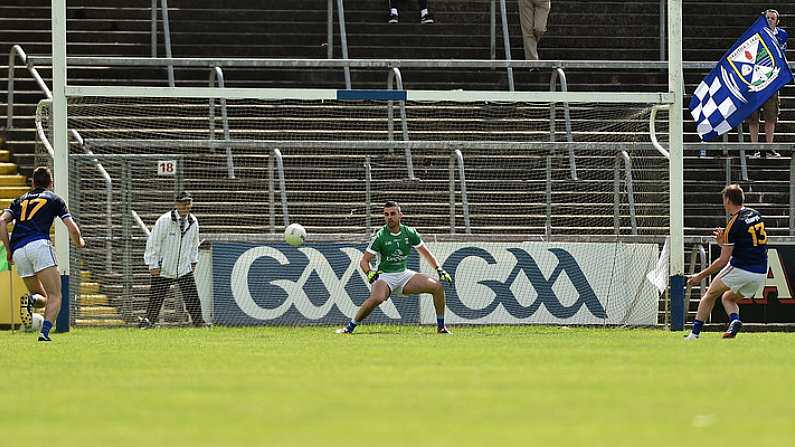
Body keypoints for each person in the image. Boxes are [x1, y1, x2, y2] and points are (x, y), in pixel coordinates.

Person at [337, 201, 452, 334]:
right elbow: (364, 260)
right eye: (386, 214)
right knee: (377, 298)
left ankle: (441, 327)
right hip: (384, 277)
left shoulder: (409, 233)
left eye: (392, 214)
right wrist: (369, 273)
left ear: (400, 215)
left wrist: (439, 269)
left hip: (404, 275)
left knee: (437, 287)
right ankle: (349, 328)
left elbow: (426, 254)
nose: (389, 217)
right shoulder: (380, 236)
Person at [0, 166, 86, 341]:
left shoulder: (19, 200)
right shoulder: (55, 199)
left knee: (43, 298)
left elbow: (2, 221)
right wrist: (79, 243)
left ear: (33, 183)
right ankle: (44, 333)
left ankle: (31, 300)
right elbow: (73, 229)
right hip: (39, 245)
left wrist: (8, 250)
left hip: (19, 251)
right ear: (51, 183)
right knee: (55, 295)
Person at [685, 184, 768, 340]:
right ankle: (735, 321)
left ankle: (694, 334)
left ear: (728, 200)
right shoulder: (755, 214)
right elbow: (748, 243)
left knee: (710, 294)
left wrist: (699, 276)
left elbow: (723, 260)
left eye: (724, 199)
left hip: (741, 268)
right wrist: (724, 243)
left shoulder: (733, 225)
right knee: (728, 297)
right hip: (760, 272)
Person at [140, 191, 206, 328]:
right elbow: (153, 243)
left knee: (192, 298)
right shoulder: (164, 220)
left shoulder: (193, 222)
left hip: (183, 268)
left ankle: (199, 324)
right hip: (163, 268)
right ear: (176, 205)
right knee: (156, 299)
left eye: (188, 203)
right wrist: (153, 264)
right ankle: (147, 323)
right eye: (183, 203)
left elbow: (194, 244)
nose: (186, 206)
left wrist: (194, 261)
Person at [747, 9, 788, 157]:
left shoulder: (782, 35)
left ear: (777, 21)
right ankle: (754, 147)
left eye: (772, 18)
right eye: (767, 18)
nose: (770, 20)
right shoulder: (755, 33)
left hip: (772, 80)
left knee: (771, 115)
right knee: (753, 116)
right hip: (755, 79)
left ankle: (769, 146)